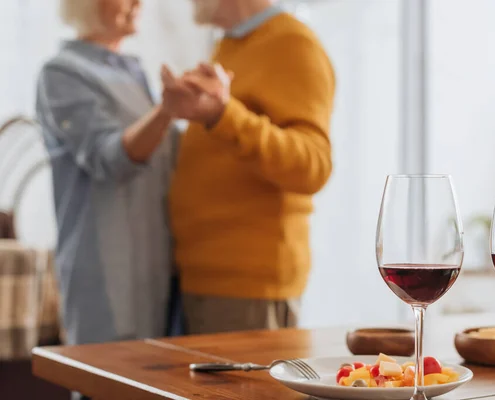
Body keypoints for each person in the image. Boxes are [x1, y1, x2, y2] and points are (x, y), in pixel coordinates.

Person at [164, 0, 336, 334]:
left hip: (248, 287)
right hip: (205, 279)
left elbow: (313, 165)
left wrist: (222, 115)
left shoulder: (292, 44)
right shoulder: (230, 45)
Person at [36, 0, 184, 350]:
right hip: (103, 271)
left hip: (156, 267)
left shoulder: (133, 72)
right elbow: (110, 158)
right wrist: (166, 111)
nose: (138, 3)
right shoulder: (61, 73)